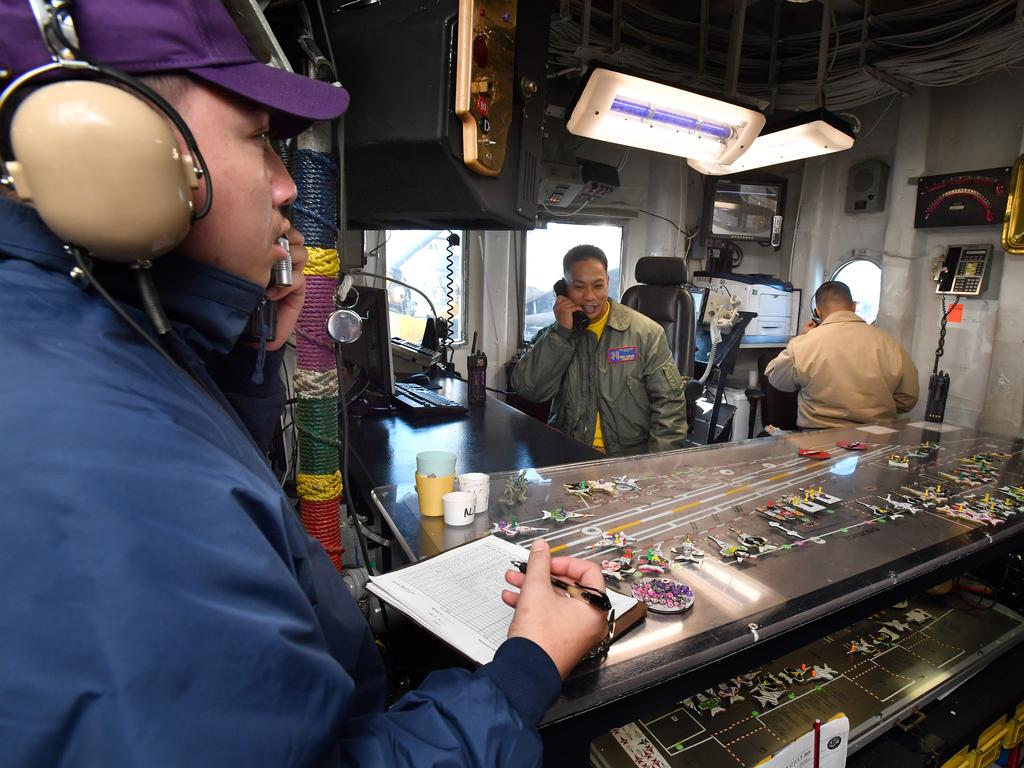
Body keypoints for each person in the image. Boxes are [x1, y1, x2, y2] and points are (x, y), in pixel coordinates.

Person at [0, 1, 608, 765]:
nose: (287, 186)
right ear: (112, 148)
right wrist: (527, 669)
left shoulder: (98, 350)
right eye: (259, 139)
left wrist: (246, 343)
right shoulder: (107, 453)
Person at [513, 244, 688, 456]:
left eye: (598, 285)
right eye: (578, 287)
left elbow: (669, 406)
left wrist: (654, 468)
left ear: (608, 282)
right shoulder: (556, 335)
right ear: (563, 289)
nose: (590, 296)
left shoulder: (646, 333)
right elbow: (529, 390)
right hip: (571, 454)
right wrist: (561, 334)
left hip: (627, 461)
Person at [765, 280, 919, 429]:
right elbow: (908, 398)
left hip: (818, 439)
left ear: (818, 311)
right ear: (853, 307)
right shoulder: (889, 343)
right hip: (877, 436)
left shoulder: (804, 343)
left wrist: (802, 338)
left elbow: (778, 379)